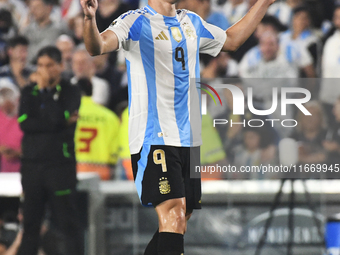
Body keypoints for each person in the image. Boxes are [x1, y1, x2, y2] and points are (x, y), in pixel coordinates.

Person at [81, 0, 276, 254]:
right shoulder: (135, 21)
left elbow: (231, 39)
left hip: (188, 138)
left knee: (180, 219)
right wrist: (89, 20)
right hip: (154, 136)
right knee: (173, 212)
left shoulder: (191, 22)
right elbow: (98, 46)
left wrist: (263, 3)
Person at [17, 46, 84, 255]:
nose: (43, 70)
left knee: (67, 224)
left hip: (60, 168)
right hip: (32, 168)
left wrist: (45, 92)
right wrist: (58, 120)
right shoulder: (28, 91)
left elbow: (56, 116)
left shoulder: (71, 91)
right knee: (30, 225)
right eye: (39, 66)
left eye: (48, 65)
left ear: (61, 67)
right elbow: (24, 123)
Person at [75, 77, 120, 180]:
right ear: (92, 91)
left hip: (74, 170)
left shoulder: (70, 115)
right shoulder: (110, 117)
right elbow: (115, 148)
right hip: (102, 171)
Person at [0, 86, 23, 173]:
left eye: (9, 105)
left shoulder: (26, 119)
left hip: (24, 169)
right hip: (3, 172)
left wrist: (17, 153)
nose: (6, 109)